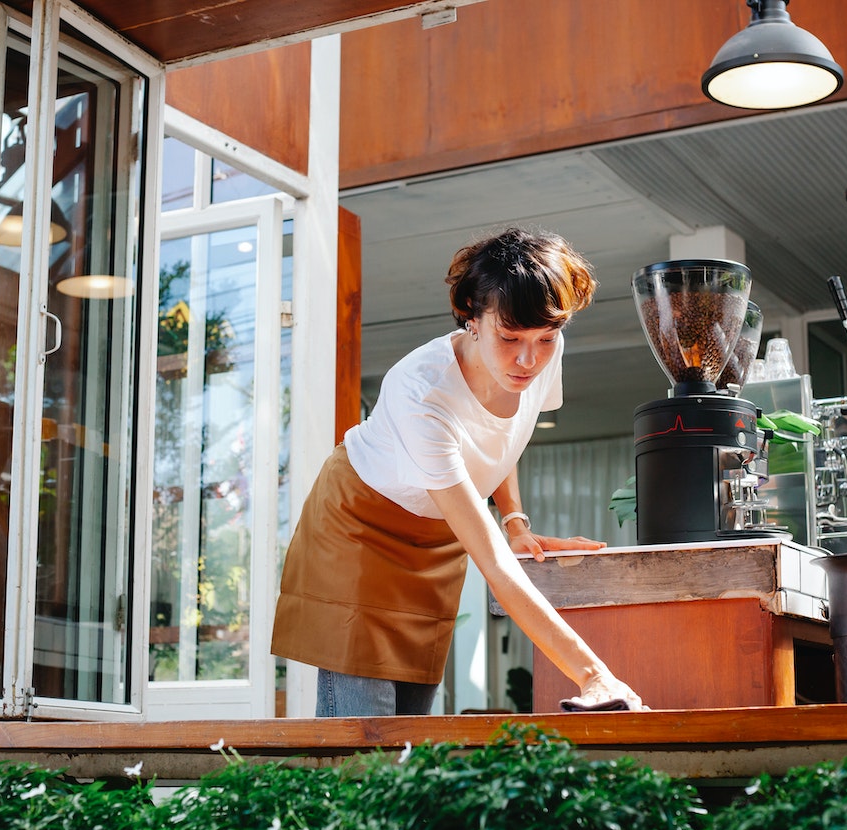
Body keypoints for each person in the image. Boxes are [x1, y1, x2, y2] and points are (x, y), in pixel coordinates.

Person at [271, 227, 644, 717]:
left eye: (546, 339)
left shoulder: (538, 350)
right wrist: (594, 675)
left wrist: (515, 521)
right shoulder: (422, 391)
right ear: (472, 315)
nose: (528, 358)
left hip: (438, 533)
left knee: (413, 723)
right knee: (365, 733)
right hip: (359, 527)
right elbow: (494, 566)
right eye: (509, 337)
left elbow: (501, 438)